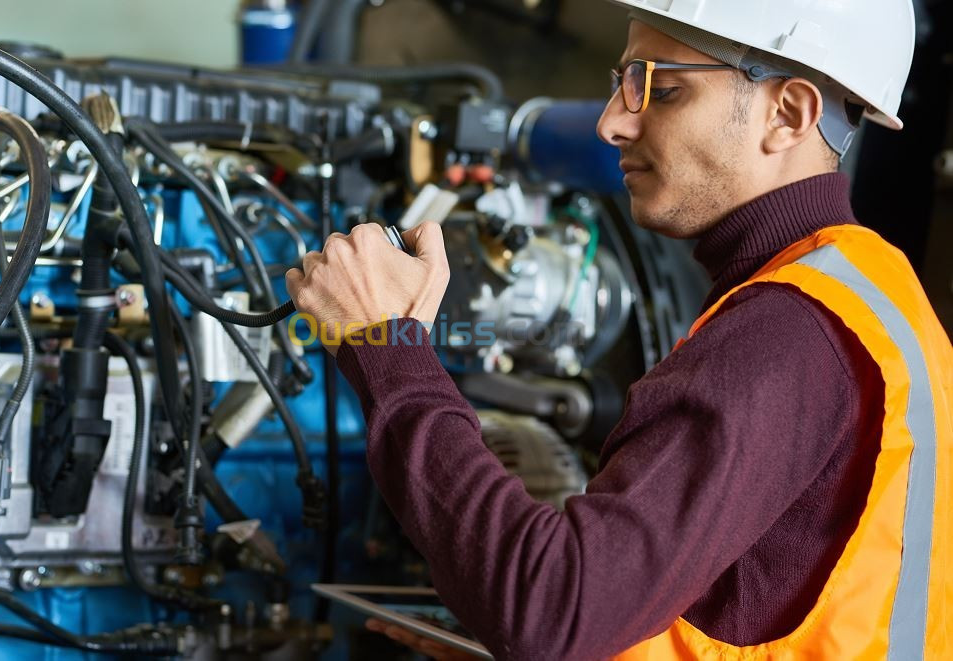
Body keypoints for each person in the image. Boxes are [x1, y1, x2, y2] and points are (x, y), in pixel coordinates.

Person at [285, 0, 953, 658]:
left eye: (659, 88)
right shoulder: (866, 293)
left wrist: (386, 346)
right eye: (621, 85)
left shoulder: (788, 333)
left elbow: (549, 609)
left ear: (787, 114)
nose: (610, 123)